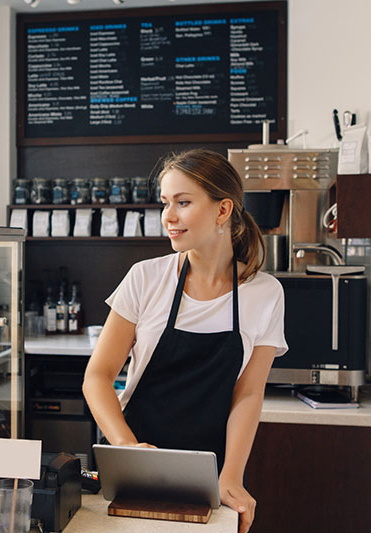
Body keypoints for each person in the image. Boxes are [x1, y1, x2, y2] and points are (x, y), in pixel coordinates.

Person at [82, 149, 287, 533]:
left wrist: (231, 476)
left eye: (183, 202)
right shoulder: (145, 278)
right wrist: (126, 447)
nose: (168, 217)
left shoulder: (265, 293)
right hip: (133, 465)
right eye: (165, 203)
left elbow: (248, 394)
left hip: (209, 472)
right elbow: (97, 376)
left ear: (223, 210)